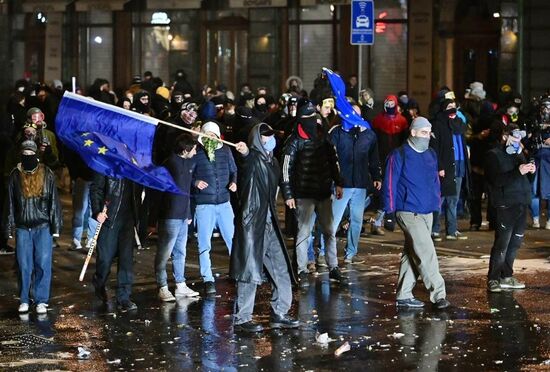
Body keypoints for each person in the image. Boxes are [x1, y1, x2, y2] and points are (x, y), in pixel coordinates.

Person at [230, 123, 299, 333]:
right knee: (249, 272)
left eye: (271, 136)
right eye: (266, 137)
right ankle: (242, 318)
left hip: (270, 223)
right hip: (253, 223)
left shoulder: (273, 161)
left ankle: (280, 312)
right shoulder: (253, 159)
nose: (270, 140)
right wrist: (244, 152)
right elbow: (245, 163)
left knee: (282, 269)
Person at [383, 117, 450, 310]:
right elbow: (390, 183)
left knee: (412, 253)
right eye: (423, 132)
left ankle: (404, 295)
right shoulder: (399, 154)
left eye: (429, 132)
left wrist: (436, 203)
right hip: (408, 211)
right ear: (413, 132)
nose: (427, 136)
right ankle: (439, 295)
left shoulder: (431, 154)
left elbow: (434, 181)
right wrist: (389, 211)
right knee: (426, 253)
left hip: (427, 211)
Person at [281, 99, 344, 285]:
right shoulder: (293, 141)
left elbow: (333, 160)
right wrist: (288, 194)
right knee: (303, 234)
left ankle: (333, 267)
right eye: (307, 117)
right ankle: (301, 269)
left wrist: (338, 182)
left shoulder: (323, 136)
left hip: (324, 193)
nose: (311, 120)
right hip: (304, 194)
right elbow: (286, 169)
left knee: (329, 231)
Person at [4, 140, 62, 314]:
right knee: (24, 265)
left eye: (31, 154)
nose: (28, 157)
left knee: (43, 264)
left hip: (43, 226)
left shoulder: (47, 173)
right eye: (25, 154)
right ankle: (24, 299)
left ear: (36, 154)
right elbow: (10, 204)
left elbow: (54, 202)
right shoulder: (15, 175)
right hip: (23, 227)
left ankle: (41, 300)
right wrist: (8, 227)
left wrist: (56, 226)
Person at [484, 124, 534, 292]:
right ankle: (493, 278)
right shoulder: (493, 155)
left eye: (519, 139)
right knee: (502, 244)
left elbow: (525, 177)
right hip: (505, 204)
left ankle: (507, 276)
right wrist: (517, 171)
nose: (517, 142)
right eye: (514, 138)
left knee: (515, 244)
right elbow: (496, 180)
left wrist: (530, 170)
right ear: (505, 137)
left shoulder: (519, 153)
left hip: (521, 202)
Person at [329, 104, 382, 264]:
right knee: (333, 221)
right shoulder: (338, 132)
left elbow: (373, 158)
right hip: (342, 185)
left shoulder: (368, 135)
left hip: (360, 184)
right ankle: (325, 253)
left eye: (357, 115)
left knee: (356, 221)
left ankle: (350, 253)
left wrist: (376, 176)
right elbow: (330, 157)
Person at [192, 121, 237, 295]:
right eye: (207, 134)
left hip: (224, 203)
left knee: (232, 240)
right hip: (204, 204)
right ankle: (208, 278)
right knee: (204, 243)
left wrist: (233, 182)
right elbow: (187, 175)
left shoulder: (225, 150)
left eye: (213, 135)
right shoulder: (196, 152)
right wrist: (195, 182)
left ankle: (237, 271)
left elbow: (234, 171)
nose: (211, 138)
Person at [155, 133, 200, 301]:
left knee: (180, 251)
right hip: (170, 215)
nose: (195, 152)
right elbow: (160, 191)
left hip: (182, 215)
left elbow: (187, 191)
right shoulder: (169, 164)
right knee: (164, 253)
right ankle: (162, 286)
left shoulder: (188, 163)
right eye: (194, 149)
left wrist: (188, 213)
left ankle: (180, 284)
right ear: (185, 149)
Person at [90, 172, 140, 311]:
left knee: (126, 260)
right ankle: (99, 283)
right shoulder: (107, 165)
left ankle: (124, 297)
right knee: (105, 259)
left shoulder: (133, 166)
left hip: (128, 220)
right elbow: (96, 189)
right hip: (108, 219)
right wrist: (97, 212)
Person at [430, 98, 470, 241]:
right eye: (449, 107)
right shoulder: (439, 124)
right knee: (440, 199)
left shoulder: (458, 123)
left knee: (454, 198)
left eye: (454, 106)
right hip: (446, 166)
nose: (453, 109)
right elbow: (434, 148)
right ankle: (434, 229)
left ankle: (451, 230)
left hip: (458, 164)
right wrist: (439, 166)